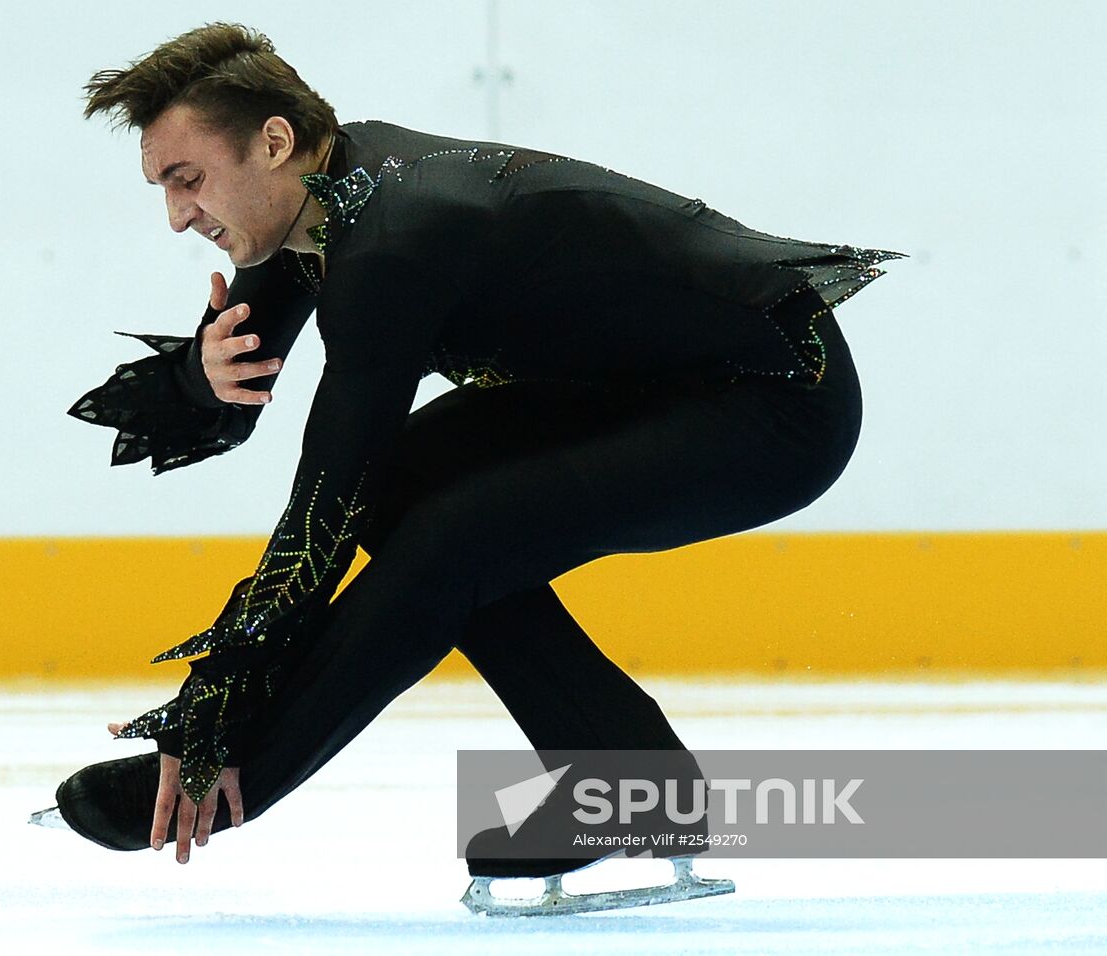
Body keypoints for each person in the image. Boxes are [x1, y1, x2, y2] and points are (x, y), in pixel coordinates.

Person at [55, 20, 905, 887]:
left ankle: (274, 782)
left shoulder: (391, 243)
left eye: (187, 180)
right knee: (409, 494)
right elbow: (232, 420)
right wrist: (202, 378)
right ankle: (631, 773)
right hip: (638, 386)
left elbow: (322, 512)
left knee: (456, 537)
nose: (175, 216)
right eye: (162, 186)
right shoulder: (312, 209)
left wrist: (223, 732)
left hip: (774, 398)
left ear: (274, 142)